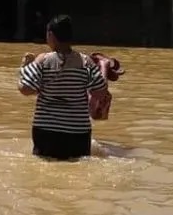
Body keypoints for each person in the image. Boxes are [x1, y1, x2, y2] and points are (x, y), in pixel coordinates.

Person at [18, 15, 109, 160]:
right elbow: (100, 92)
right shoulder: (85, 62)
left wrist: (24, 68)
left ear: (50, 35)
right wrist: (103, 68)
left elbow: (26, 89)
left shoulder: (43, 60)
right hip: (78, 132)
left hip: (46, 131)